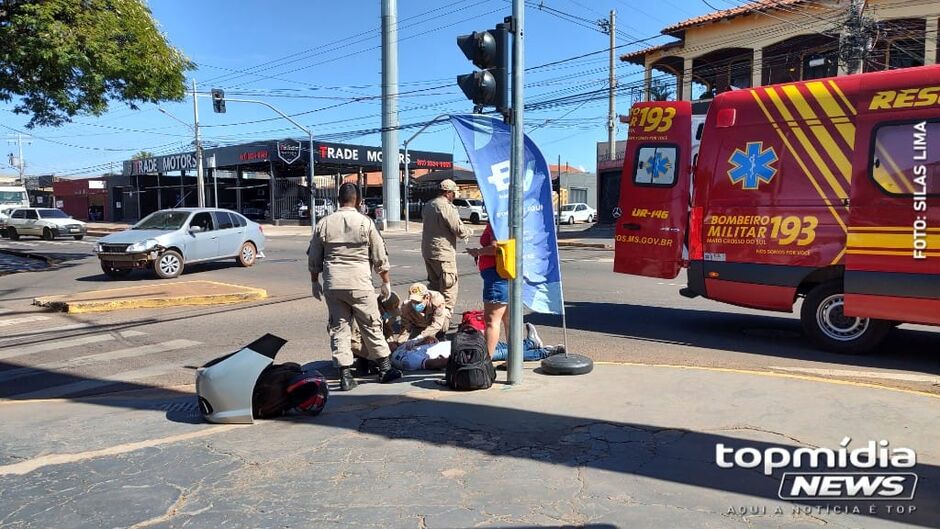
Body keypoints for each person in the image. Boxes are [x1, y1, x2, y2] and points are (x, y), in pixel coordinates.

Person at [307, 182, 401, 391]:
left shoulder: (324, 223)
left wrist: (315, 282)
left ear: (338, 200)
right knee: (370, 324)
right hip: (359, 283)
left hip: (333, 283)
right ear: (358, 201)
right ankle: (385, 369)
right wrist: (385, 282)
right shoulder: (365, 223)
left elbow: (314, 257)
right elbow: (379, 256)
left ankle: (346, 376)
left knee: (339, 327)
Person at [421, 179, 473, 316]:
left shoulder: (429, 205)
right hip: (443, 253)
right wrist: (469, 232)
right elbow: (458, 229)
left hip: (428, 252)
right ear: (448, 193)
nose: (454, 196)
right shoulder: (446, 207)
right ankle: (442, 326)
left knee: (434, 289)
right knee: (448, 291)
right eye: (453, 193)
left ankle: (430, 319)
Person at [392, 283, 450, 348]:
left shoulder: (437, 300)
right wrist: (401, 344)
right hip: (419, 324)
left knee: (444, 315)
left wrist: (421, 337)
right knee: (415, 345)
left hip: (435, 323)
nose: (415, 304)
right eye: (413, 301)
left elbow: (437, 324)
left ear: (427, 297)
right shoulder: (406, 307)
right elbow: (405, 328)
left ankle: (441, 336)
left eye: (418, 302)